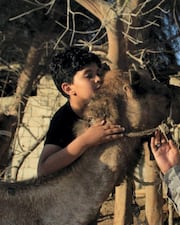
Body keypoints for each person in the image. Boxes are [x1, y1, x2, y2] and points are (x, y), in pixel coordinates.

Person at [37, 47, 125, 224]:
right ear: (69, 88)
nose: (98, 79)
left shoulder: (103, 111)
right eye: (89, 75)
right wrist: (86, 140)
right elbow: (44, 168)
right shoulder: (63, 119)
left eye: (98, 73)